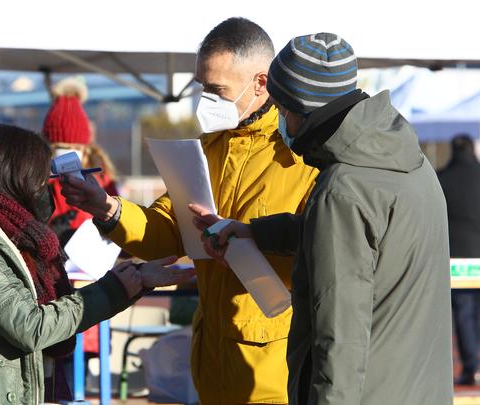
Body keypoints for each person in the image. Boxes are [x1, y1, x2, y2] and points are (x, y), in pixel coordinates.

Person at [61, 17, 318, 404]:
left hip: (272, 370)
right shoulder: (209, 146)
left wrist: (249, 243)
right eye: (202, 87)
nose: (206, 101)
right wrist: (109, 208)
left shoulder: (302, 157)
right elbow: (164, 230)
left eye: (216, 90)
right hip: (210, 362)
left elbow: (323, 247)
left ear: (261, 84)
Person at [191, 33, 453, 404]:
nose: (281, 120)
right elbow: (359, 239)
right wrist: (256, 233)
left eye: (282, 110)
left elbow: (338, 337)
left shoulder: (342, 188)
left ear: (303, 108)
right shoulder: (407, 162)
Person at [0, 124, 195, 405]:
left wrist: (137, 278)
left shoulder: (8, 234)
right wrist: (116, 289)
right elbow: (31, 327)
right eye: (40, 180)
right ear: (14, 180)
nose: (46, 190)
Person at [42, 76, 121, 389]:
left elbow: (118, 224)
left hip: (91, 281)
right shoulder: (40, 182)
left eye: (74, 148)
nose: (67, 153)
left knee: (81, 359)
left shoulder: (102, 182)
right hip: (52, 286)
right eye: (60, 147)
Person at [437, 134, 480, 385]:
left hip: (454, 254)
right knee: (478, 310)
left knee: (461, 310)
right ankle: (473, 362)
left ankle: (471, 365)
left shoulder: (441, 178)